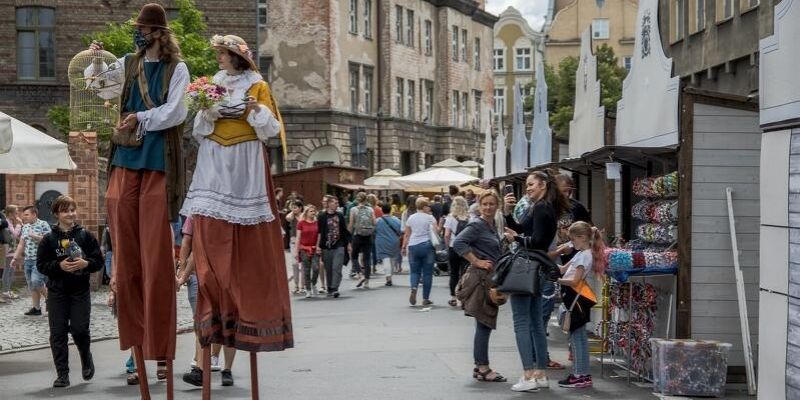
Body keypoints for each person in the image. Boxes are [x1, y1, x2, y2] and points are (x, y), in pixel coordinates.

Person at [179, 33, 293, 393]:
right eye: (218, 54)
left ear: (236, 57)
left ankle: (219, 356)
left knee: (242, 218)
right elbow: (200, 128)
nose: (219, 59)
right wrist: (208, 110)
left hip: (243, 155)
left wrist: (252, 110)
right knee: (210, 211)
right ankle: (208, 357)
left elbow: (272, 129)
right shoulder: (212, 83)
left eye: (223, 54)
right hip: (216, 154)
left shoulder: (256, 84)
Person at [85, 4, 189, 390]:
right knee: (126, 262)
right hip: (126, 160)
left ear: (159, 33)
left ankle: (160, 349)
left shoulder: (177, 68)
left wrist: (140, 118)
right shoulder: (128, 62)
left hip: (157, 161)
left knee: (156, 260)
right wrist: (95, 63)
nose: (139, 34)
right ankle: (135, 347)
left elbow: (176, 112)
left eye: (144, 29)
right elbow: (97, 87)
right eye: (138, 28)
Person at [502, 170, 570, 392]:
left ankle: (528, 374)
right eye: (527, 184)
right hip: (538, 268)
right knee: (535, 322)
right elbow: (521, 228)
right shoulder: (542, 206)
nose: (528, 188)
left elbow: (537, 240)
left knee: (522, 321)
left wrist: (517, 238)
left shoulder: (541, 207)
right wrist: (508, 213)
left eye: (531, 184)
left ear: (543, 185)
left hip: (528, 266)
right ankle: (539, 373)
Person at [36, 196, 103, 388]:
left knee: (80, 329)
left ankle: (85, 356)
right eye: (65, 210)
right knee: (57, 333)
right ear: (56, 214)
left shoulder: (85, 236)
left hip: (80, 291)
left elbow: (97, 261)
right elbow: (41, 265)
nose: (70, 214)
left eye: (72, 209)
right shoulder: (49, 239)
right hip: (57, 293)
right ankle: (62, 374)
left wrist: (86, 263)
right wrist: (59, 266)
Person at [453, 191, 507, 383]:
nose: (488, 207)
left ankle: (480, 366)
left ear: (497, 205)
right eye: (484, 204)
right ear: (479, 205)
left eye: (492, 204)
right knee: (484, 323)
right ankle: (483, 367)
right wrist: (477, 261)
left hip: (489, 279)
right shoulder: (477, 224)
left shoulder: (491, 225)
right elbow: (458, 242)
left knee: (483, 323)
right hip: (481, 279)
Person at [177, 217, 236, 387]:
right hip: (205, 280)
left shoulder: (229, 218)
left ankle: (227, 369)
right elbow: (194, 251)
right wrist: (183, 277)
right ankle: (200, 369)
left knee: (228, 323)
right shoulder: (199, 218)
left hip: (227, 280)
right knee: (203, 322)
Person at [555, 221, 606, 388]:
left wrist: (557, 280)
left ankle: (578, 374)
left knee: (576, 338)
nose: (572, 243)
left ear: (582, 237)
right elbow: (563, 269)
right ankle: (583, 374)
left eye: (573, 240)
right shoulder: (582, 253)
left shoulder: (584, 255)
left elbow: (574, 280)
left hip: (574, 297)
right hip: (578, 298)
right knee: (580, 337)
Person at [11, 206, 51, 315]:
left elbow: (49, 240)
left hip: (40, 259)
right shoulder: (25, 227)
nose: (24, 217)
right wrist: (15, 257)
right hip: (28, 260)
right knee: (32, 285)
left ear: (34, 214)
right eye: (24, 215)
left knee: (36, 281)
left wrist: (36, 236)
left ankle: (51, 299)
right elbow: (21, 244)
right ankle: (36, 308)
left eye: (27, 214)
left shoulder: (43, 224)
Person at [402, 197, 437, 306]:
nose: (429, 208)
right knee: (427, 273)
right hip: (427, 246)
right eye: (427, 206)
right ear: (424, 206)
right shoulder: (430, 218)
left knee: (414, 271)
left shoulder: (411, 218)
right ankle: (425, 298)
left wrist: (403, 247)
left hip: (413, 246)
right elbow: (436, 232)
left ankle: (414, 287)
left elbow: (407, 234)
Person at [317, 197, 348, 298]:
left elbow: (344, 230)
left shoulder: (340, 215)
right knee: (328, 268)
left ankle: (335, 288)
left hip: (339, 245)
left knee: (337, 267)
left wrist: (349, 244)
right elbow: (319, 232)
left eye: (337, 202)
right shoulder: (322, 216)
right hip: (326, 246)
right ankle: (329, 287)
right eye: (335, 203)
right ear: (329, 204)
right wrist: (318, 246)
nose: (337, 204)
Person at [443, 196, 470, 307]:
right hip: (466, 248)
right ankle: (463, 297)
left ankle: (454, 297)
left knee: (454, 273)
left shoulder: (450, 218)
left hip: (453, 247)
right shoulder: (470, 218)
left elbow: (447, 235)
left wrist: (447, 246)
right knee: (464, 273)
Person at [348, 192, 376, 289]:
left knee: (354, 256)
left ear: (357, 199)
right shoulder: (370, 209)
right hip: (368, 235)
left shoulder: (353, 209)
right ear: (366, 200)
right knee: (367, 258)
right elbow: (374, 222)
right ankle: (367, 282)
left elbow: (351, 224)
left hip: (357, 235)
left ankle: (360, 274)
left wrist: (348, 236)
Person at [296, 205, 321, 298]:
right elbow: (298, 237)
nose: (313, 213)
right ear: (306, 212)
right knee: (306, 270)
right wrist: (296, 251)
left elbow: (319, 235)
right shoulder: (301, 223)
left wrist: (318, 246)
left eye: (314, 211)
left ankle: (313, 284)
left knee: (316, 268)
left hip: (315, 248)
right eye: (311, 211)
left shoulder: (317, 223)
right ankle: (308, 290)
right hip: (304, 249)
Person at [374, 203, 401, 287]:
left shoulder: (377, 221)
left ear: (382, 210)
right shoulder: (396, 220)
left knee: (385, 259)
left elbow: (374, 231)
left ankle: (388, 278)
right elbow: (400, 231)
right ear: (390, 210)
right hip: (394, 241)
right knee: (392, 260)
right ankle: (390, 277)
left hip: (382, 242)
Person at [2, 205, 22, 300]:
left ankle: (8, 290)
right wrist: (19, 224)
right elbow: (13, 236)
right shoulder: (6, 223)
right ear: (10, 214)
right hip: (7, 251)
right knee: (7, 271)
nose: (17, 215)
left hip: (11, 251)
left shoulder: (9, 222)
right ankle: (5, 292)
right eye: (16, 213)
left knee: (11, 271)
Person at [285, 199, 305, 294]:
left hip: (303, 241)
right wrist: (293, 211)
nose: (293, 209)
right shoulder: (292, 216)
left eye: (295, 207)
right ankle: (296, 285)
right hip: (293, 240)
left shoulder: (304, 216)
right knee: (295, 263)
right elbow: (287, 218)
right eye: (292, 207)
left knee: (304, 263)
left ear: (300, 208)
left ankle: (303, 285)